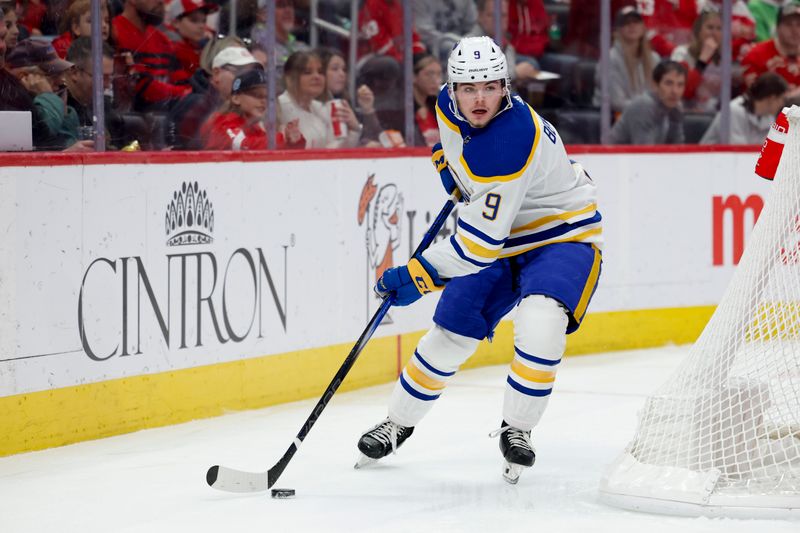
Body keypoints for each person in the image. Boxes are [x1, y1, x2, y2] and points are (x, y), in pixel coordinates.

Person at [356, 36, 602, 484]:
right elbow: (466, 162)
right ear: (452, 89)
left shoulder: (509, 138)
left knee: (541, 324)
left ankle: (518, 429)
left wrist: (421, 273)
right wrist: (456, 174)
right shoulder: (447, 106)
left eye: (490, 87)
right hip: (502, 233)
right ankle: (398, 422)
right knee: (449, 333)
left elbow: (478, 246)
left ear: (506, 86)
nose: (479, 99)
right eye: (468, 89)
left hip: (560, 234)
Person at [170, 40, 258, 150]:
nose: (246, 79)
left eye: (249, 73)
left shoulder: (245, 106)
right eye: (239, 71)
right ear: (216, 73)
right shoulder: (196, 106)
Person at [201, 66, 305, 150]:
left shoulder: (253, 127)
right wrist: (283, 139)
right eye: (257, 95)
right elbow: (243, 144)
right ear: (236, 98)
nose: (264, 101)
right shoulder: (223, 123)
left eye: (267, 97)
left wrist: (293, 142)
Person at [112, 0, 190, 111]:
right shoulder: (114, 33)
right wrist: (183, 93)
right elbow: (141, 89)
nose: (161, 1)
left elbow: (183, 82)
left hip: (163, 114)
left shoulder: (162, 40)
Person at [278, 50, 361, 148]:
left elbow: (334, 151)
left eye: (320, 72)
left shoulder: (321, 108)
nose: (317, 77)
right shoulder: (279, 107)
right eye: (307, 72)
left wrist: (354, 129)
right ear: (290, 78)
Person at [593, 6, 659, 114]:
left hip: (644, 116)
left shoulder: (654, 58)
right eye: (626, 23)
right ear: (618, 30)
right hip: (612, 118)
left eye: (636, 21)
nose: (632, 25)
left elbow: (659, 96)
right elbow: (617, 102)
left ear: (643, 27)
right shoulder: (610, 59)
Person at [316, 47, 383, 146]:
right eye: (335, 69)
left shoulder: (343, 103)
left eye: (344, 69)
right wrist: (356, 131)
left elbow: (376, 139)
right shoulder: (310, 107)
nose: (342, 74)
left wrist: (368, 110)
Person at [610, 60, 687, 145]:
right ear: (655, 85)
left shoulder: (675, 108)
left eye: (680, 85)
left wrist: (675, 121)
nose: (675, 91)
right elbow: (645, 154)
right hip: (615, 157)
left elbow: (677, 150)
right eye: (669, 83)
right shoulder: (644, 106)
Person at [701, 71, 788, 143]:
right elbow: (737, 148)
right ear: (771, 98)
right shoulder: (734, 110)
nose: (782, 104)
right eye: (781, 99)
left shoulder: (769, 117)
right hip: (712, 160)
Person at [742, 4, 800, 102]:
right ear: (777, 28)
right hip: (765, 114)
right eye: (788, 25)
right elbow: (755, 98)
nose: (795, 31)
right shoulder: (756, 54)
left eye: (799, 25)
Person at [671, 9, 723, 113]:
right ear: (698, 31)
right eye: (710, 27)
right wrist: (702, 60)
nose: (714, 33)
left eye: (719, 29)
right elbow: (681, 90)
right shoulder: (681, 53)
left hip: (716, 115)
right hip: (686, 113)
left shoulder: (724, 58)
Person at [162, 0, 218, 85]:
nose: (202, 26)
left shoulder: (199, 46)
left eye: (203, 21)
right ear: (176, 22)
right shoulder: (171, 49)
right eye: (194, 20)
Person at [413, 0, 477, 62]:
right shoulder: (419, 1)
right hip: (430, 52)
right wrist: (455, 46)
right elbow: (424, 32)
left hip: (463, 46)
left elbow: (473, 25)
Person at [411, 53, 442, 147]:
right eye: (429, 74)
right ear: (413, 77)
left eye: (439, 74)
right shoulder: (405, 111)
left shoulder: (439, 108)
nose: (436, 81)